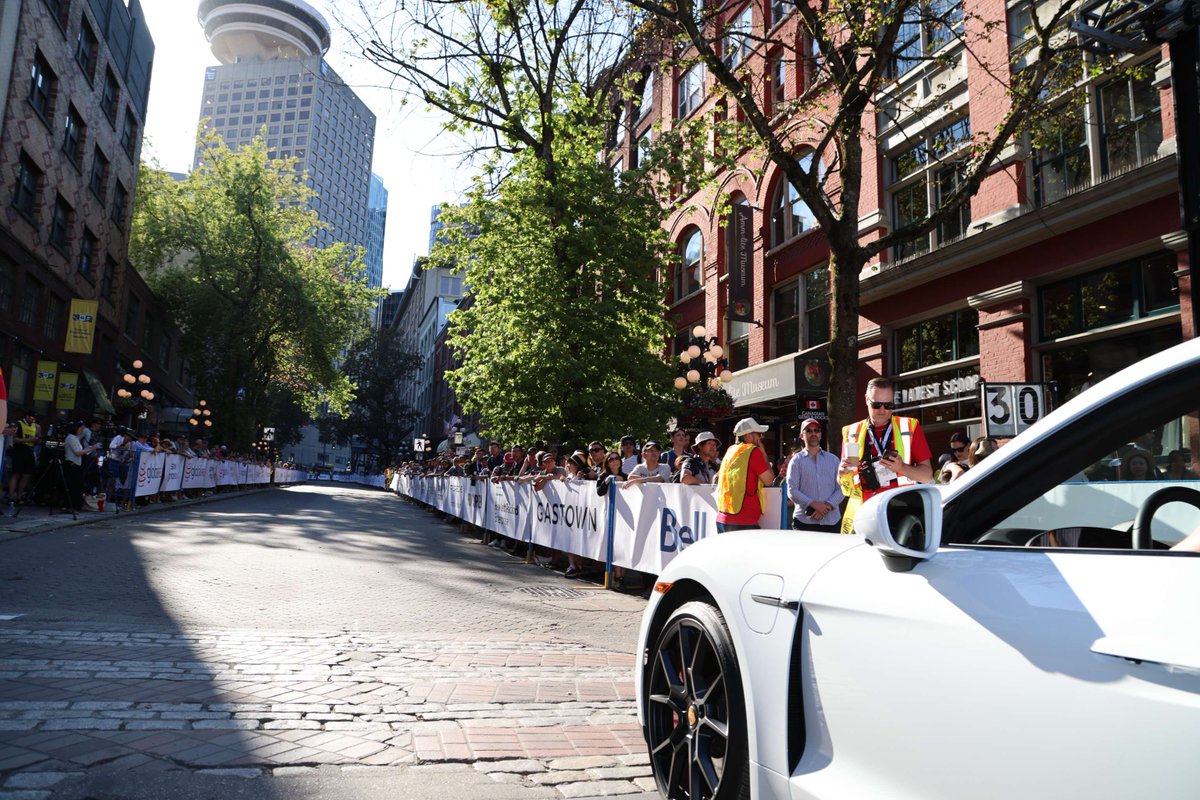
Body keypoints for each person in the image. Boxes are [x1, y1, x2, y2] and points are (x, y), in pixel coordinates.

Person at [838, 378, 933, 533]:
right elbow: (845, 485)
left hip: (900, 512)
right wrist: (841, 473)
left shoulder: (910, 427)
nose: (883, 410)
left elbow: (927, 475)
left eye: (888, 405)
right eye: (876, 405)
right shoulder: (851, 432)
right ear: (866, 400)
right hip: (864, 514)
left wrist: (902, 467)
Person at [714, 418, 775, 532]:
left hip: (723, 516)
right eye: (758, 434)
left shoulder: (730, 450)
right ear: (748, 436)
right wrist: (764, 454)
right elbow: (769, 480)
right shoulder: (753, 451)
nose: (760, 438)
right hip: (743, 520)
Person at [786, 418, 844, 532]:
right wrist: (813, 504)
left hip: (832, 521)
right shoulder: (796, 461)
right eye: (808, 430)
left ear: (821, 434)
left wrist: (826, 506)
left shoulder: (834, 460)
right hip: (804, 521)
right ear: (802, 436)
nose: (813, 433)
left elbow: (842, 487)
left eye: (816, 430)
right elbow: (792, 491)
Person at [6, 412, 40, 515]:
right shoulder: (19, 424)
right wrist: (28, 439)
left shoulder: (36, 426)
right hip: (19, 450)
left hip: (29, 450)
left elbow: (38, 438)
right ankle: (11, 497)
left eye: (34, 418)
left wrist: (37, 440)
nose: (33, 420)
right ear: (27, 416)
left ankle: (19, 497)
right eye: (31, 418)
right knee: (16, 473)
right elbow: (14, 439)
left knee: (27, 474)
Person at [63, 420, 97, 511]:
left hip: (77, 464)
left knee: (77, 487)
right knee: (73, 486)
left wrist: (89, 448)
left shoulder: (76, 438)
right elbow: (77, 452)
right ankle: (70, 506)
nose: (82, 430)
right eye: (81, 428)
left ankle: (75, 506)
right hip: (72, 464)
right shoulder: (70, 438)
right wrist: (91, 449)